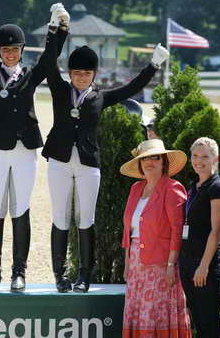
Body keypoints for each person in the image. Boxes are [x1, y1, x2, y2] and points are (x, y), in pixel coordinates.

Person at [42, 22, 169, 293]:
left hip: (88, 164)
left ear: (94, 74)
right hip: (59, 161)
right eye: (76, 73)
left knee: (86, 218)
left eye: (86, 73)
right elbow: (48, 62)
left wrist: (153, 65)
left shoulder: (101, 97)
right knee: (61, 217)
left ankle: (85, 275)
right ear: (70, 73)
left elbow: (133, 87)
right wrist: (54, 31)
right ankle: (59, 274)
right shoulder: (60, 90)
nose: (81, 77)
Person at [0, 0, 68, 292]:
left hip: (25, 149)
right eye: (5, 50)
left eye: (15, 50)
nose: (11, 54)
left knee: (21, 208)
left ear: (22, 50)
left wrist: (55, 27)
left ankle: (18, 272)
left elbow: (50, 59)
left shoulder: (30, 75)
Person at [119, 139, 191, 337]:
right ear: (140, 164)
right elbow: (128, 230)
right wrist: (126, 262)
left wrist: (170, 265)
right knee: (138, 313)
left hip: (161, 266)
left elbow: (177, 230)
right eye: (145, 159)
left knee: (154, 315)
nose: (149, 162)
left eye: (155, 157)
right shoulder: (136, 188)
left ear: (164, 162)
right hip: (135, 264)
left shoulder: (173, 188)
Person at [179, 137, 220, 338]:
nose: (199, 161)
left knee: (209, 326)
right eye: (195, 156)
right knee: (198, 323)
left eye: (205, 157)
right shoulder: (194, 185)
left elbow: (215, 232)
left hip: (206, 265)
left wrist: (204, 266)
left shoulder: (217, 187)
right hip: (188, 263)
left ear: (215, 158)